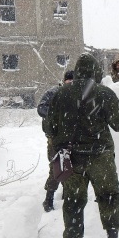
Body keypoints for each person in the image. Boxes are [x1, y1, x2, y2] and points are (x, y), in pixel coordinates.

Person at [46, 52, 119, 238]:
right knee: (109, 196)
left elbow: (48, 127)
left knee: (73, 202)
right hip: (100, 156)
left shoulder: (61, 93)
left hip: (71, 159)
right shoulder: (103, 93)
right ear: (96, 72)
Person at [37, 70, 74, 212]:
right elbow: (41, 109)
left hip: (73, 139)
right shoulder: (53, 92)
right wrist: (59, 114)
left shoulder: (79, 95)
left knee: (71, 168)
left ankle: (67, 195)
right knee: (56, 168)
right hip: (55, 139)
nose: (70, 84)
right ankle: (49, 199)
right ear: (64, 80)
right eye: (68, 81)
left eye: (73, 81)